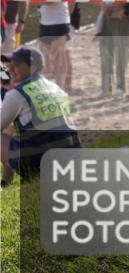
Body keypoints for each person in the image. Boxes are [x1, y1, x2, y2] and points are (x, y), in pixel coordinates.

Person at [0, 46, 80, 180]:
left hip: (41, 166)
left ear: (32, 67)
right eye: (9, 65)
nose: (10, 69)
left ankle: (9, 178)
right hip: (72, 160)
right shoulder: (54, 87)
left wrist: (8, 90)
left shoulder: (16, 94)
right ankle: (7, 178)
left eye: (16, 65)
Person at [29, 0, 71, 90]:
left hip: (59, 22)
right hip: (44, 22)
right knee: (45, 59)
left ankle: (61, 88)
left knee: (59, 58)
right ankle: (48, 89)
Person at [97, 0, 129, 96]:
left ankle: (121, 87)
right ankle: (106, 88)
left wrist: (115, 10)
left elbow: (127, 1)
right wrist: (105, 9)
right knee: (106, 54)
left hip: (121, 21)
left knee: (121, 56)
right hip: (107, 21)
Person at [57, 0, 79, 92]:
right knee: (63, 51)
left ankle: (68, 83)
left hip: (69, 17)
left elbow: (71, 0)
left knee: (64, 51)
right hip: (69, 16)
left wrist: (67, 19)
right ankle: (66, 82)